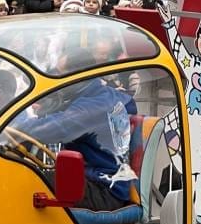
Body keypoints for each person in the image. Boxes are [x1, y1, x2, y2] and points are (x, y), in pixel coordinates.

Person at [10, 77, 137, 211]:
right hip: (94, 180)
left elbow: (53, 128)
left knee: (26, 181)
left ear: (75, 74)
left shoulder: (93, 105)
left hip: (104, 190)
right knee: (30, 175)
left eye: (57, 75)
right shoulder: (100, 96)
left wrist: (1, 125)